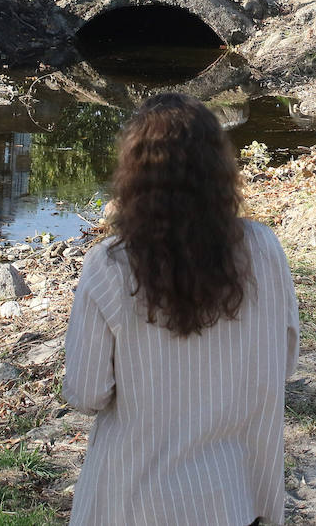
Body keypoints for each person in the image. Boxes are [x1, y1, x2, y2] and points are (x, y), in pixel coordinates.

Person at [64, 93, 299, 526]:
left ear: (134, 176)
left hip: (137, 500)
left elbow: (86, 392)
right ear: (220, 170)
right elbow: (284, 362)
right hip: (238, 496)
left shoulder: (111, 265)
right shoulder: (265, 248)